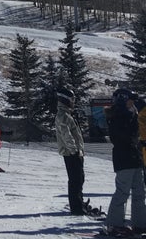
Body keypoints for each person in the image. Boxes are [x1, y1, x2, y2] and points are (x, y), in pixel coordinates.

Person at [105, 88, 146, 236]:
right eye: (130, 100)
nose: (132, 103)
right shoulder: (117, 116)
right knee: (122, 192)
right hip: (124, 158)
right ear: (122, 100)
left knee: (140, 193)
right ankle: (114, 224)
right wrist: (134, 118)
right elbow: (124, 137)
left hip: (135, 158)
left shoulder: (130, 114)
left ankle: (140, 223)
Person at [55, 87, 87, 216]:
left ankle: (79, 202)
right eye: (72, 99)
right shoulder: (63, 115)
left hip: (75, 152)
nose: (74, 102)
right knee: (75, 179)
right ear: (66, 100)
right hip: (70, 153)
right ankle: (76, 207)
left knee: (80, 178)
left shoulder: (67, 114)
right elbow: (66, 134)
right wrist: (74, 150)